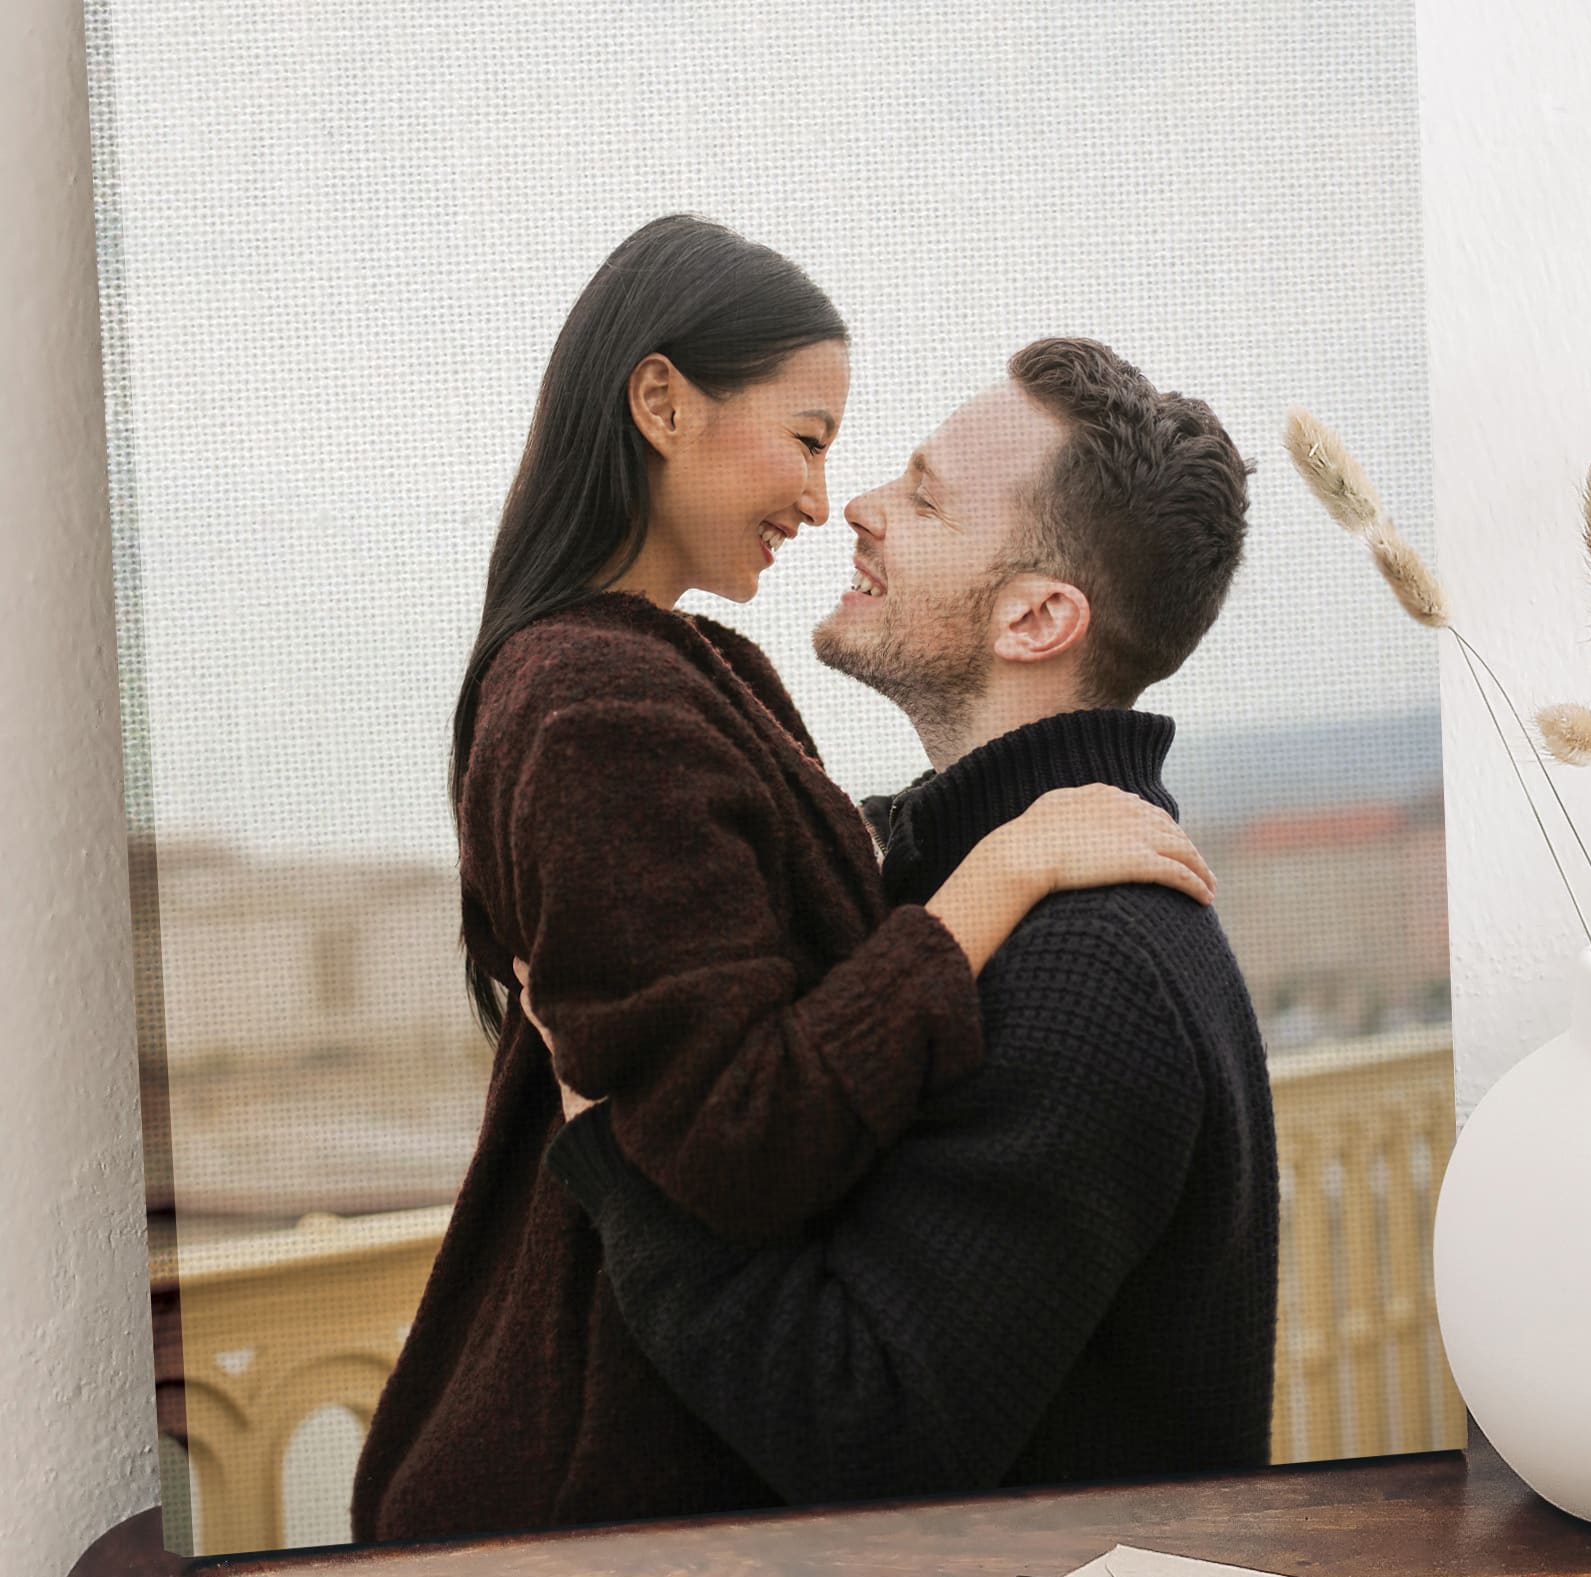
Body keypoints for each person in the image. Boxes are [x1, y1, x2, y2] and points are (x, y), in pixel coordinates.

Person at [353, 219, 1214, 1544]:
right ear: (659, 404)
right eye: (811, 440)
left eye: (912, 494)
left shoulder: (704, 677)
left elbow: (791, 915)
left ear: (1041, 617)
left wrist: (983, 851)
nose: (835, 501)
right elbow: (740, 1127)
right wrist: (999, 864)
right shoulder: (589, 699)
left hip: (659, 1530)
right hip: (590, 1516)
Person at [548, 336, 1284, 1504]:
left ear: (1037, 619)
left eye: (925, 500)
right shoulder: (962, 889)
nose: (857, 510)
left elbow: (861, 1424)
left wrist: (614, 1148)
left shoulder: (1094, 971)